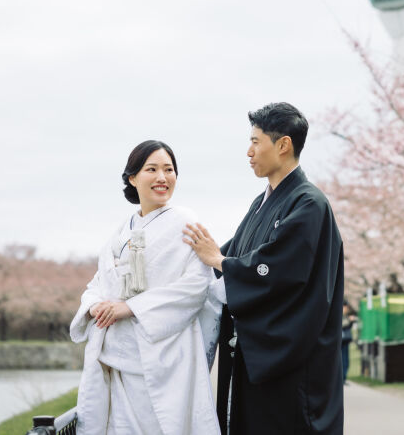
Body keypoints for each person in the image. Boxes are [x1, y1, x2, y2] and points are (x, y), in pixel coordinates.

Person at [184, 102, 345, 435]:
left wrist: (221, 262)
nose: (249, 151)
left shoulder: (309, 204)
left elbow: (278, 270)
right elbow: (230, 255)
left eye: (256, 141)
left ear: (283, 145)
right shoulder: (262, 203)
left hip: (292, 368)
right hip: (255, 362)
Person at [69, 140, 222, 435]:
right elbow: (99, 283)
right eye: (152, 169)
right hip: (119, 357)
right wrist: (95, 305)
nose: (162, 178)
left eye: (169, 170)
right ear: (133, 178)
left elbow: (196, 286)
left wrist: (131, 307)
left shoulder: (187, 223)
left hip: (166, 355)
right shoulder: (120, 231)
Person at [342, 303, 357, 383]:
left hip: (345, 340)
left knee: (345, 360)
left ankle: (343, 377)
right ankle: (341, 378)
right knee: (341, 360)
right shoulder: (340, 316)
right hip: (341, 341)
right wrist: (349, 320)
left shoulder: (346, 316)